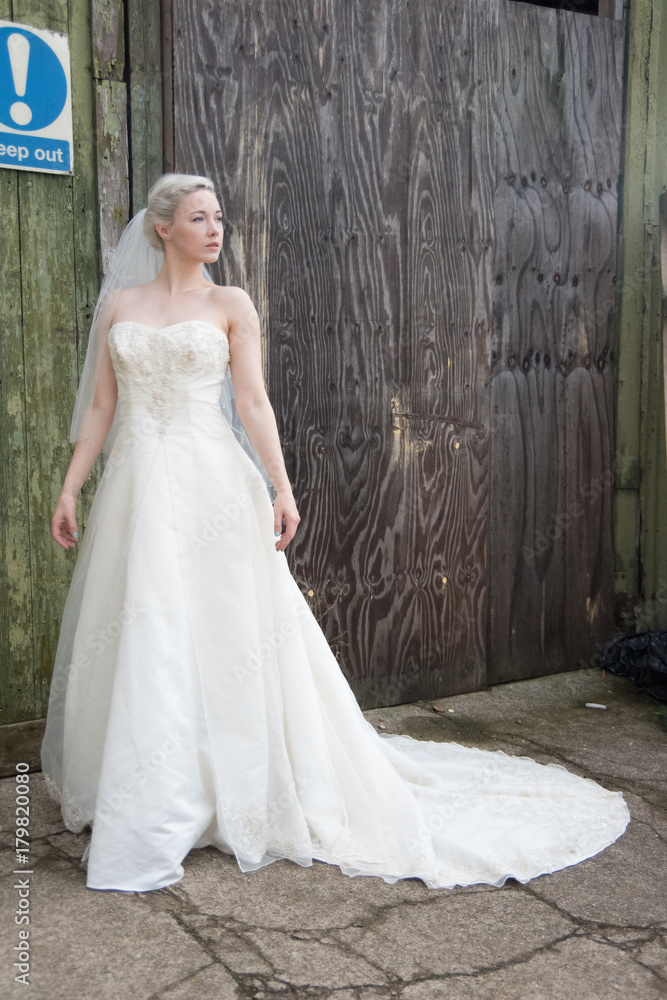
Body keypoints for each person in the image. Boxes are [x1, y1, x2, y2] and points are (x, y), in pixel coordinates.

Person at [42, 173, 630, 892]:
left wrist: (281, 486)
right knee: (146, 625)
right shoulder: (122, 307)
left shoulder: (230, 304)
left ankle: (233, 783)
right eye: (198, 218)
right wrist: (70, 488)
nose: (215, 229)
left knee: (227, 629)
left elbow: (253, 402)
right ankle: (151, 789)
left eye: (219, 217)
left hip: (213, 486)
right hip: (136, 487)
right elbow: (101, 408)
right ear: (162, 228)